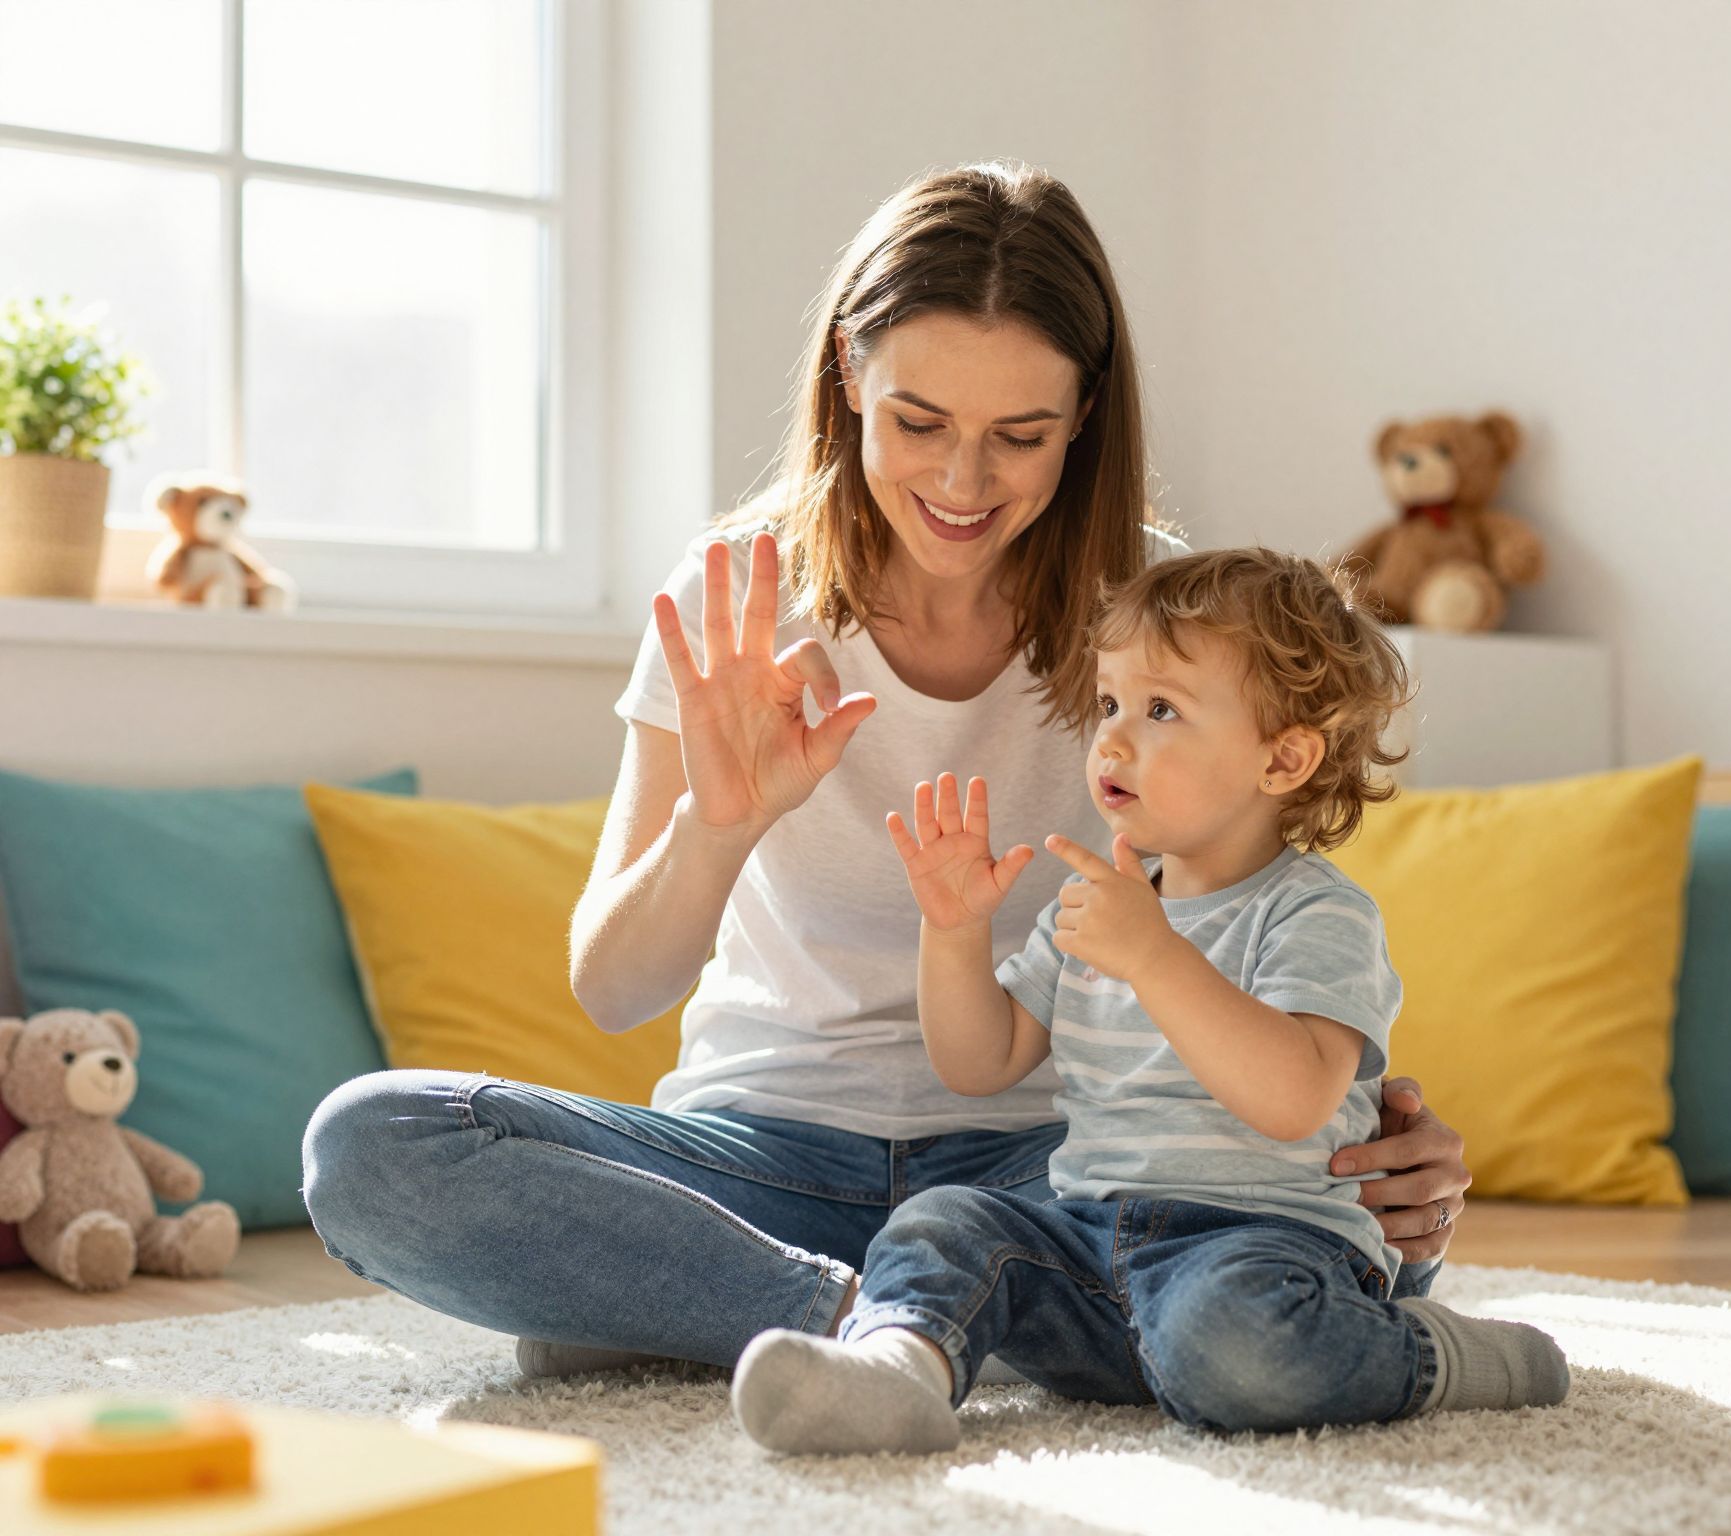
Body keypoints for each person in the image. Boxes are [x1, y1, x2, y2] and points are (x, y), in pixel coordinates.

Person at [300, 161, 1472, 1382]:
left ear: (1083, 414)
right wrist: (718, 823)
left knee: (1270, 1263)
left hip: (1056, 1174)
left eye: (1019, 437)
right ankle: (882, 1317)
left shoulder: (1157, 618)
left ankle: (745, 1309)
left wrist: (1361, 1143)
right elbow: (613, 989)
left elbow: (1260, 920)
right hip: (762, 1155)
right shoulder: (736, 593)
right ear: (848, 376)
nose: (962, 484)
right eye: (918, 423)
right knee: (376, 1145)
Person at [730, 549, 1567, 1455]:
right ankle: (898, 1371)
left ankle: (1444, 1356)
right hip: (1090, 1240)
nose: (1114, 741)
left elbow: (1293, 1099)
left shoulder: (1317, 914)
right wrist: (955, 929)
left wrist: (1155, 955)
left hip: (1263, 1248)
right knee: (944, 1222)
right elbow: (977, 1062)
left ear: (1283, 758)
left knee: (1234, 1344)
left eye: (1160, 709)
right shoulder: (1096, 903)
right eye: (1108, 705)